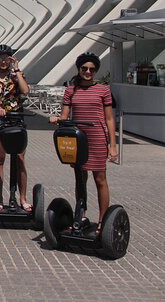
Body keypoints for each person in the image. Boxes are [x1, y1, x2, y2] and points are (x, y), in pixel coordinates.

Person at [49, 52, 118, 236]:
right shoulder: (71, 90)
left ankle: (104, 222)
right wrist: (57, 119)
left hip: (97, 138)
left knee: (100, 179)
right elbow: (64, 117)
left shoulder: (103, 90)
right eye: (84, 68)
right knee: (80, 178)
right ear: (79, 69)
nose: (88, 72)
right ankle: (80, 217)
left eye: (92, 69)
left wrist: (113, 145)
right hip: (77, 138)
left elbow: (110, 119)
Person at [0, 44, 31, 212]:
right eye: (0, 58)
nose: (3, 61)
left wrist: (17, 70)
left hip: (17, 119)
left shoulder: (16, 76)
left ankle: (23, 198)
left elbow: (25, 91)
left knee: (20, 159)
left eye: (6, 58)